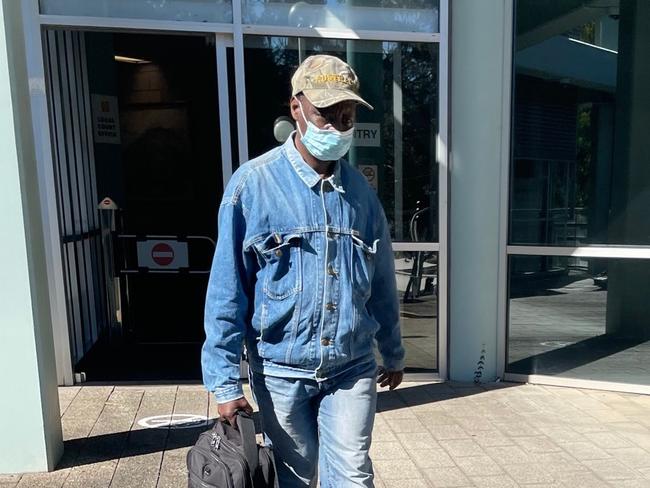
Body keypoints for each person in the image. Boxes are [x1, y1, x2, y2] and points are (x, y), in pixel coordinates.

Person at [202, 54, 405, 487]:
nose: (336, 125)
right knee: (295, 478)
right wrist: (224, 384)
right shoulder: (251, 186)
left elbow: (382, 279)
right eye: (325, 114)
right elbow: (227, 290)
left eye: (345, 116)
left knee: (352, 475)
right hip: (279, 372)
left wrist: (392, 350)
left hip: (351, 367)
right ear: (297, 108)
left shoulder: (361, 194)